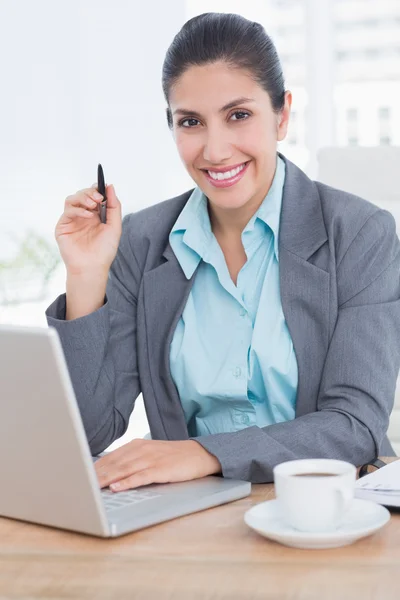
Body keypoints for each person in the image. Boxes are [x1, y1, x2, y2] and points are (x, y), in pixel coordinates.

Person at [46, 12, 400, 492]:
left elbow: (354, 427)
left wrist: (203, 454)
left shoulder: (359, 234)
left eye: (238, 115)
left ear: (282, 114)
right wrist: (86, 278)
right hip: (188, 516)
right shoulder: (141, 243)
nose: (214, 151)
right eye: (190, 122)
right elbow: (87, 434)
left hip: (324, 509)